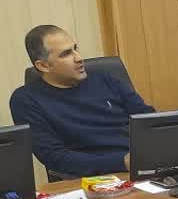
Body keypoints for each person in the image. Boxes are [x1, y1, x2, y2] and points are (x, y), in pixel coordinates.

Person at [9, 24, 154, 177]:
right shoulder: (26, 100)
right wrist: (121, 162)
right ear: (43, 66)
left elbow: (148, 120)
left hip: (139, 165)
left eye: (75, 49)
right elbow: (55, 157)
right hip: (88, 177)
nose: (78, 58)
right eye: (66, 54)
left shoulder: (105, 78)